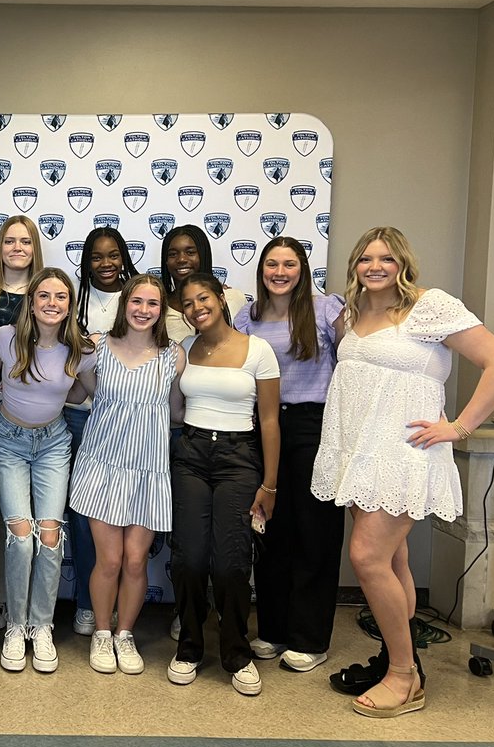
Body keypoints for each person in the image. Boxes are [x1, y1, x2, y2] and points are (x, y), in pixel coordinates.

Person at [311, 227, 494, 717]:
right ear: (355, 266)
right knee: (395, 560)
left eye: (386, 257)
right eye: (366, 258)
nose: (375, 266)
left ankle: (405, 678)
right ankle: (396, 662)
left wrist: (460, 426)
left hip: (403, 451)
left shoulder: (430, 306)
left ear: (403, 262)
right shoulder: (353, 313)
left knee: (367, 556)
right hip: (360, 451)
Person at [167, 273, 279, 697]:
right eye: (189, 303)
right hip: (192, 454)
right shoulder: (186, 350)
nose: (197, 307)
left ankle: (237, 652)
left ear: (221, 298)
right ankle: (190, 647)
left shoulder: (258, 350)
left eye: (204, 298)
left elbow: (269, 420)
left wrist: (269, 484)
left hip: (239, 458)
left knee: (231, 562)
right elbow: (176, 409)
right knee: (190, 559)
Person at [234, 237, 343, 673]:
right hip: (261, 426)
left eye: (290, 264)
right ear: (261, 271)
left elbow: (353, 363)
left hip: (313, 425)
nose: (280, 272)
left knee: (314, 531)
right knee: (269, 530)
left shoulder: (326, 310)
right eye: (272, 264)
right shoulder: (249, 316)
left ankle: (310, 637)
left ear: (303, 269)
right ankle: (273, 630)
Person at [69, 275, 185, 675]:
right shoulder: (97, 347)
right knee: (110, 559)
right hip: (101, 466)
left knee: (136, 562)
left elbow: (176, 412)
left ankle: (125, 634)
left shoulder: (174, 356)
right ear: (124, 304)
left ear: (162, 310)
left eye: (153, 304)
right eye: (136, 301)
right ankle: (102, 633)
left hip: (148, 471)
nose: (143, 310)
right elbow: (81, 392)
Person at [0, 268, 93, 673]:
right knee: (21, 535)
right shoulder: (5, 339)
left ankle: (42, 626)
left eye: (61, 297)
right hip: (8, 441)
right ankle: (16, 627)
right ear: (31, 302)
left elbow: (83, 391)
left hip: (53, 444)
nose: (52, 303)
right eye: (44, 295)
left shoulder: (79, 349)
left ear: (70, 305)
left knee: (50, 536)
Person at [66, 227, 139, 636]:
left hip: (127, 419)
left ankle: (119, 605)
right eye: (97, 257)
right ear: (86, 261)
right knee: (84, 513)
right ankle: (86, 604)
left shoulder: (139, 295)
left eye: (113, 255)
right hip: (80, 414)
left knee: (127, 513)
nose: (106, 263)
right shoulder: (73, 299)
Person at [0, 215, 43, 632]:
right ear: (0, 247)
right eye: (9, 241)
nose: (17, 248)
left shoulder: (47, 290)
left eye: (25, 241)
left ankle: (25, 606)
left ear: (36, 247)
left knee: (29, 514)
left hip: (32, 416)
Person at [160, 224, 247, 344]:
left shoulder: (233, 298)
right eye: (173, 254)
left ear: (203, 255)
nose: (181, 259)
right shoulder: (158, 309)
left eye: (190, 252)